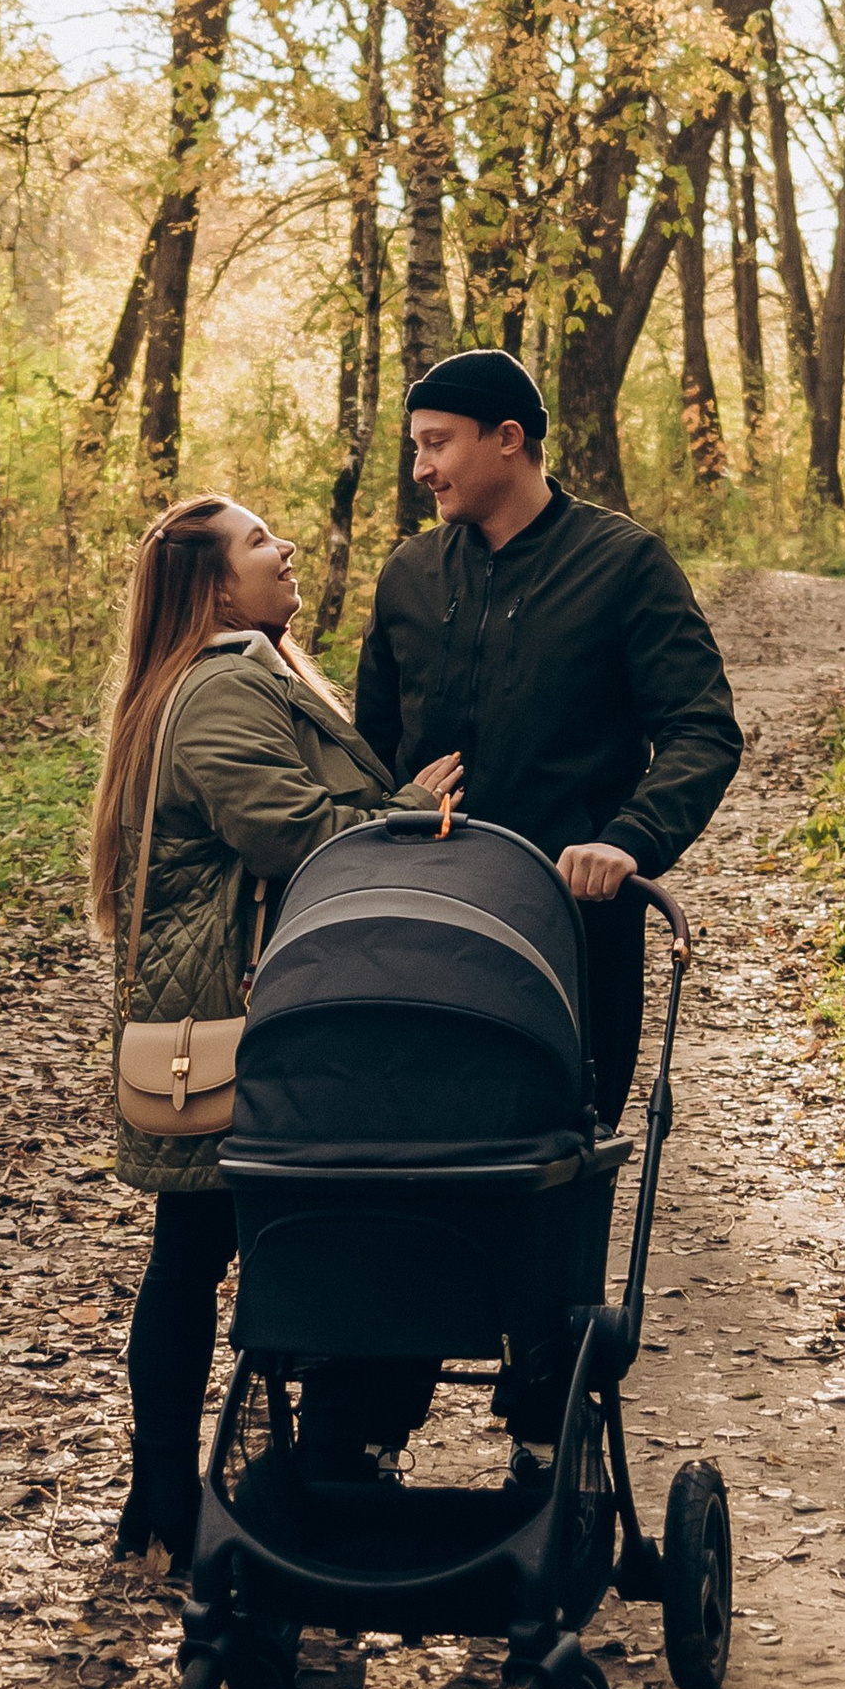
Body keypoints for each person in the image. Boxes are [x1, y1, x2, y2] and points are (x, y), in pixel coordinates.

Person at [355, 349, 742, 1477]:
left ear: (507, 440)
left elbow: (702, 728)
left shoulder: (621, 565)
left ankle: (543, 1435)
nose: (422, 466)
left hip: (570, 944)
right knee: (397, 1172)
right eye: (417, 443)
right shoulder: (409, 577)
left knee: (548, 1176)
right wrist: (390, 805)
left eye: (438, 442)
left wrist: (627, 840)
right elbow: (374, 753)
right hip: (415, 938)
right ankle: (369, 1431)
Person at [90, 494, 458, 1574]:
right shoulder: (216, 689)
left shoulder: (245, 671)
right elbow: (289, 831)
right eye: (259, 542)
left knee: (198, 1248)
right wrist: (412, 817)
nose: (283, 547)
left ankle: (174, 1492)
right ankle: (186, 1491)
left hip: (237, 999)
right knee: (208, 1247)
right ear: (212, 586)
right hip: (238, 1008)